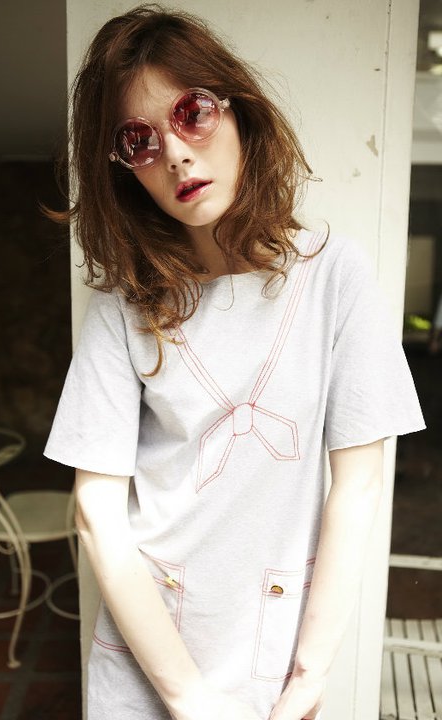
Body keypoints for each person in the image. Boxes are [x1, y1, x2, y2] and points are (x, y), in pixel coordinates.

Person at [44, 5, 425, 719]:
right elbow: (96, 510)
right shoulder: (123, 307)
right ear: (123, 170)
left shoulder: (335, 277)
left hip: (271, 658)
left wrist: (309, 674)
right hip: (148, 657)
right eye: (138, 140)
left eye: (192, 113)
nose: (176, 154)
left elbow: (359, 486)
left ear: (238, 109)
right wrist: (187, 697)